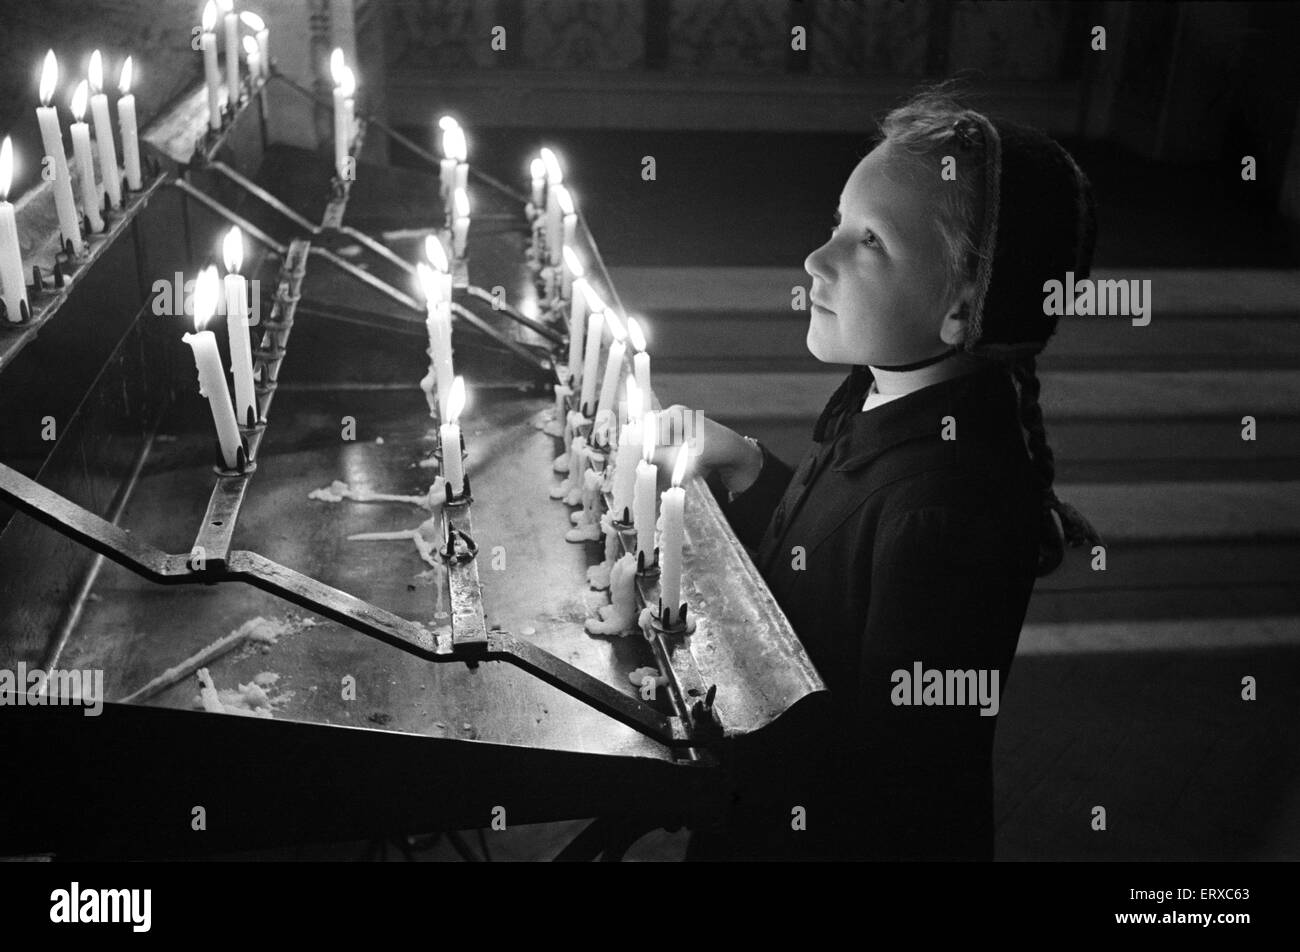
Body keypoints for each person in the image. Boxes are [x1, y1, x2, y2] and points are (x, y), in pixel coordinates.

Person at [672, 84, 1105, 861]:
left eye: (868, 240)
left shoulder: (947, 507)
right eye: (836, 223)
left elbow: (888, 778)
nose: (815, 259)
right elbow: (831, 574)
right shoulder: (889, 391)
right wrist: (748, 467)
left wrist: (702, 748)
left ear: (963, 307)